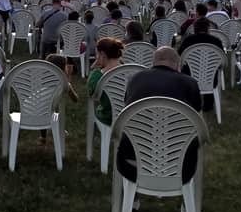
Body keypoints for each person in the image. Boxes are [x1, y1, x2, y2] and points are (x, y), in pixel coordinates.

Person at [117, 47, 204, 184]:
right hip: (181, 164)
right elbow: (197, 117)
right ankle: (187, 203)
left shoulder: (135, 79)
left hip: (132, 159)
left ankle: (131, 200)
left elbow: (126, 108)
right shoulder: (190, 83)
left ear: (154, 62)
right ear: (177, 64)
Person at [86, 37, 124, 125]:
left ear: (102, 54)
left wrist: (94, 68)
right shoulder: (129, 71)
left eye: (97, 54)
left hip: (108, 117)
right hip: (126, 116)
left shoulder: (98, 76)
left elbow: (90, 93)